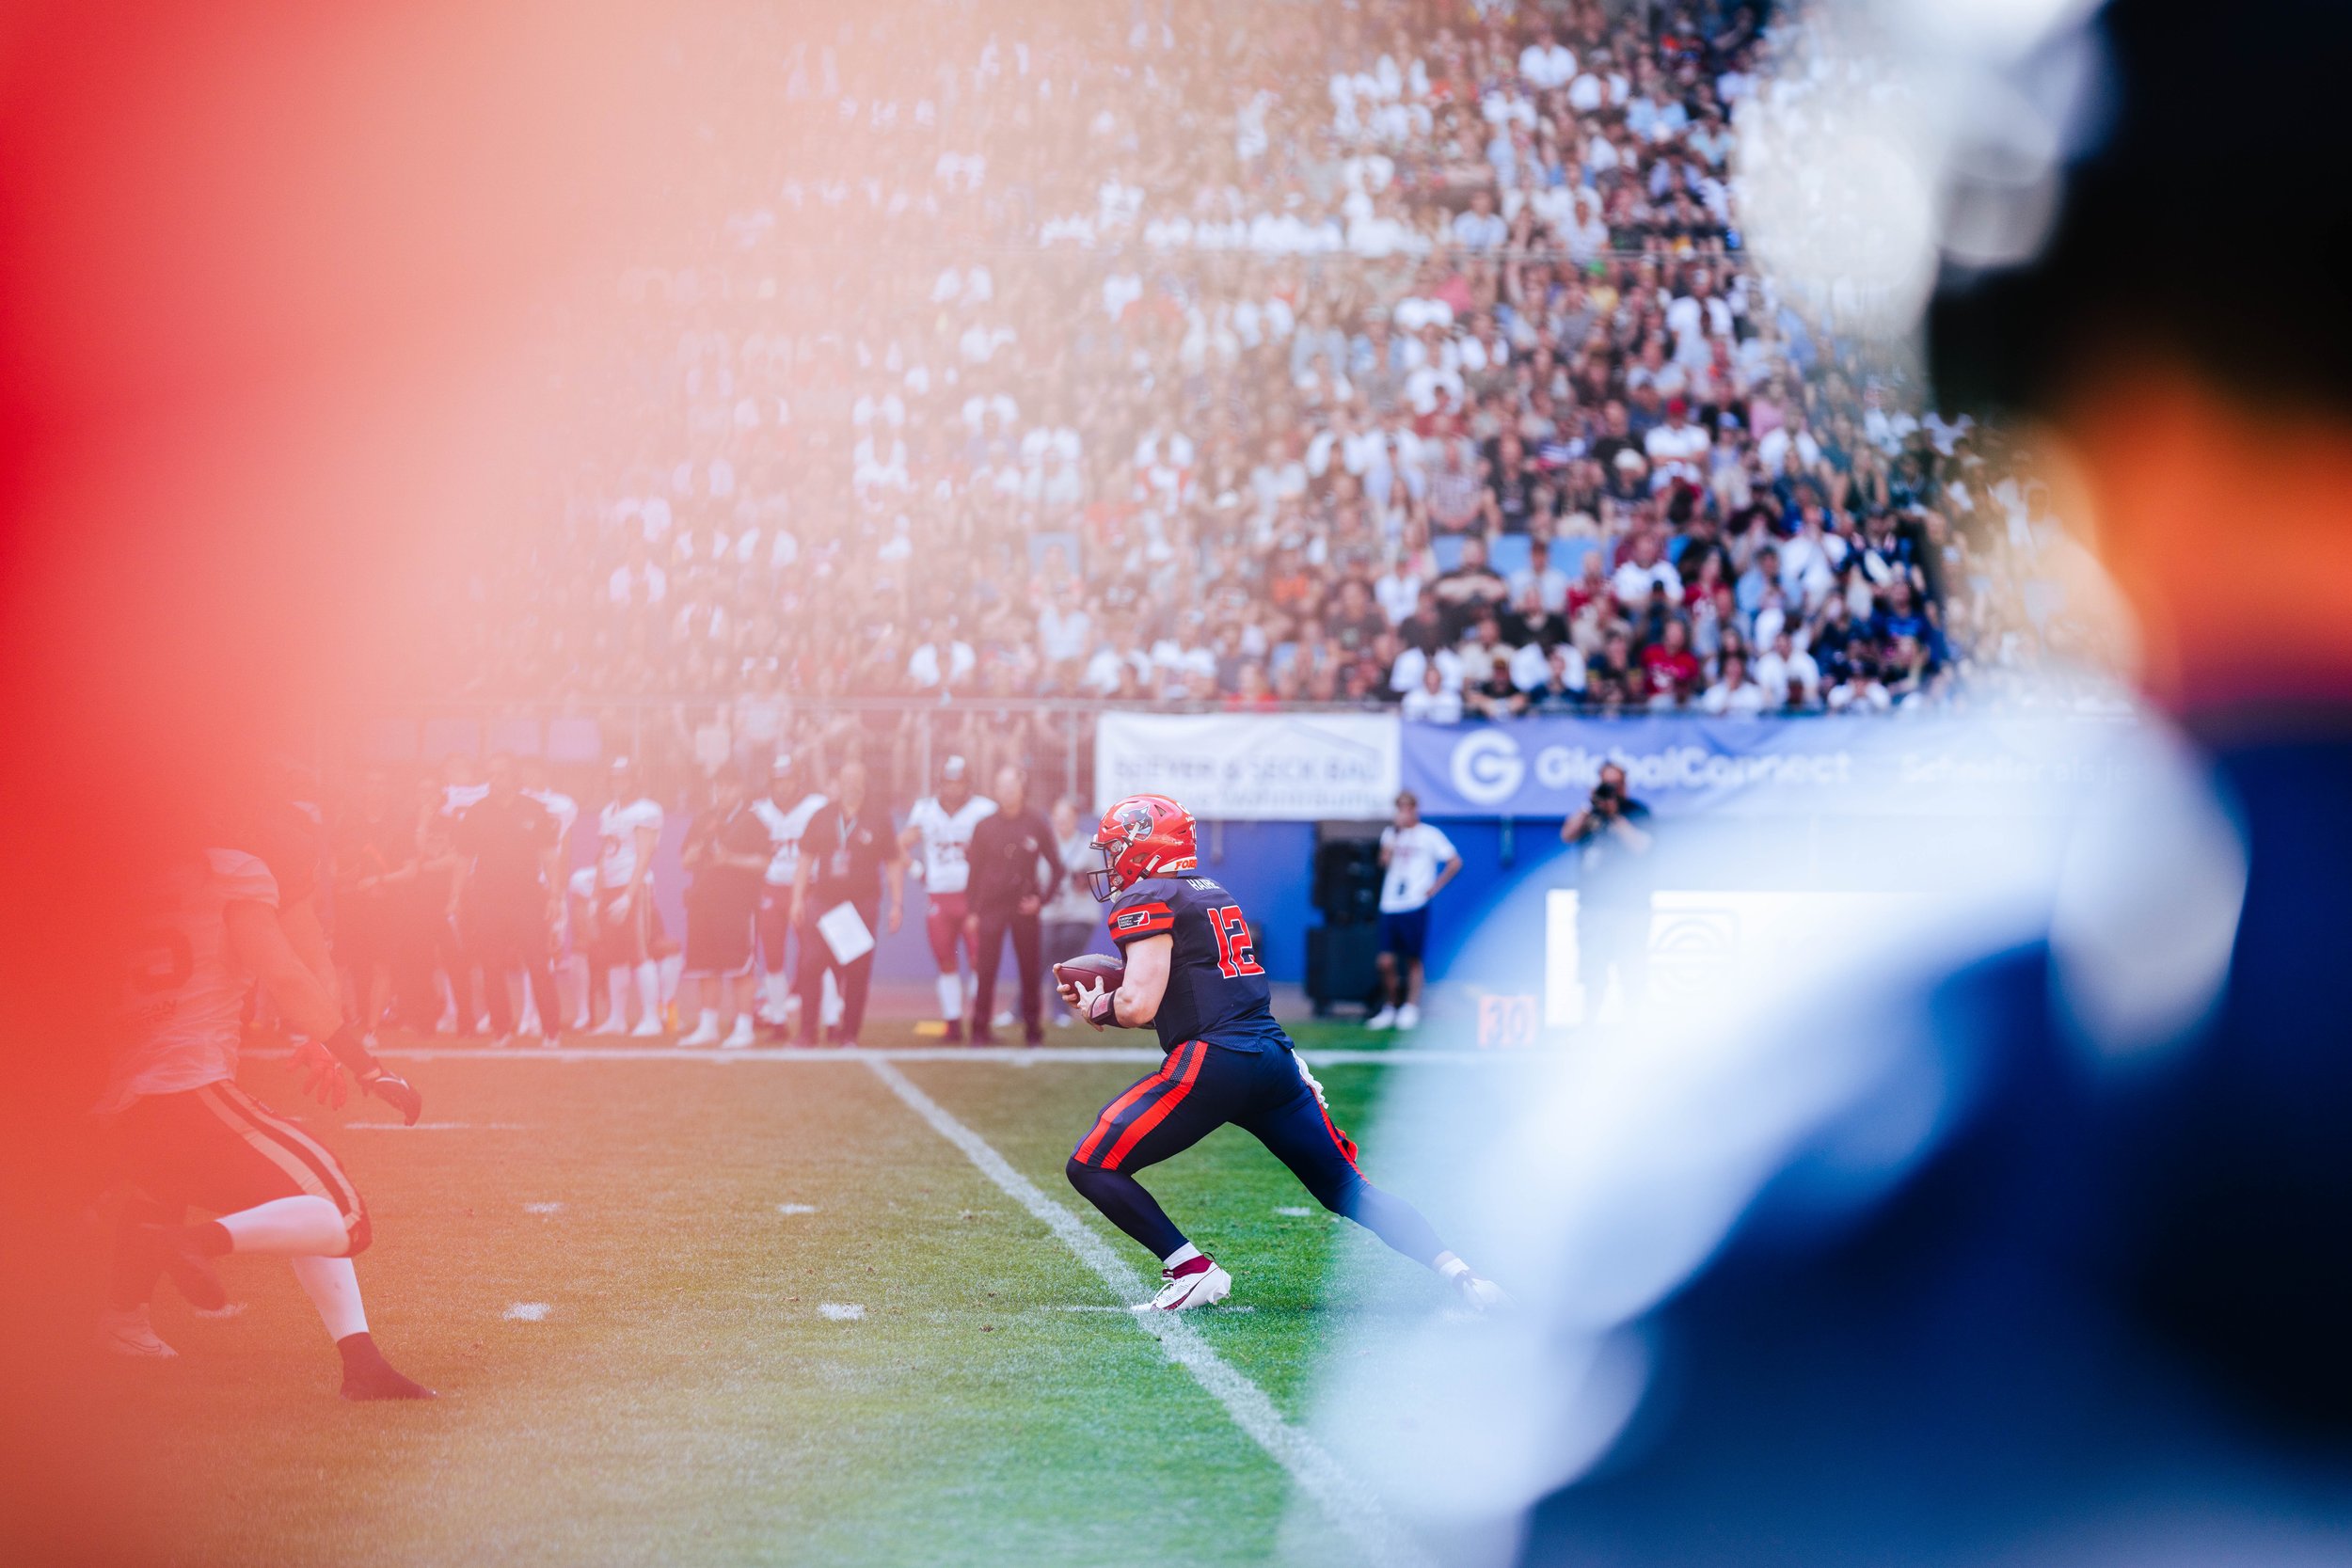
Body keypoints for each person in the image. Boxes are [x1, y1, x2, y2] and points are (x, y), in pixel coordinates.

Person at [1056, 793, 1507, 1312]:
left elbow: (1138, 1005)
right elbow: (1193, 995)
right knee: (1346, 1187)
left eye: (1116, 848)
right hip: (1271, 1057)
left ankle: (1191, 1269)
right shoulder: (1209, 892)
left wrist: (1100, 1006)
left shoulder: (1147, 897)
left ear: (1144, 845)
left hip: (1214, 1060)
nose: (1111, 862)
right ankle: (1464, 1276)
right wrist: (1113, 1003)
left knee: (1091, 1164)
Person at [96, 812, 431, 1398]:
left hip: (111, 1104)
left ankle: (360, 1363)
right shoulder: (234, 873)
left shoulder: (125, 875)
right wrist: (367, 1066)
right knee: (342, 1214)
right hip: (186, 1090)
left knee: (178, 1189)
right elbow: (286, 974)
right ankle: (183, 1243)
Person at [450, 754, 563, 1047]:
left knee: (538, 962)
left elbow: (550, 859)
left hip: (527, 898)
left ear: (514, 777)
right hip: (488, 899)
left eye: (500, 774)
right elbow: (463, 858)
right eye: (491, 774)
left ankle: (551, 1030)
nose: (494, 780)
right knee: (491, 965)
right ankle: (501, 1029)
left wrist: (555, 896)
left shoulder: (535, 810)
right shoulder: (477, 812)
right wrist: (455, 897)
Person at [790, 759, 903, 1047]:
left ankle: (849, 1034)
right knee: (810, 965)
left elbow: (892, 862)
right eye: (845, 778)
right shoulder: (822, 816)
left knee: (856, 971)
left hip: (860, 904)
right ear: (837, 783)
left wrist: (897, 904)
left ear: (864, 783)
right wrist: (797, 899)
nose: (851, 784)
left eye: (856, 778)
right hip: (824, 903)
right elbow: (805, 859)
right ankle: (807, 1032)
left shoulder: (878, 817)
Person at [898, 755, 996, 1041]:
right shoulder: (925, 810)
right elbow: (900, 844)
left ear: (968, 784)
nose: (953, 789)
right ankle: (953, 1024)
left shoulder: (983, 810)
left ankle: (980, 1022)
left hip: (973, 898)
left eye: (959, 782)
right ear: (940, 783)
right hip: (940, 897)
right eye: (949, 782)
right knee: (945, 960)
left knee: (980, 961)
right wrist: (918, 871)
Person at [963, 765, 1059, 1047]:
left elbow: (1057, 866)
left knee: (1030, 971)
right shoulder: (984, 826)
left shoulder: (1036, 823)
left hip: (1023, 908)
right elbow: (974, 873)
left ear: (1022, 789)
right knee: (986, 970)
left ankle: (1033, 1032)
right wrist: (972, 911)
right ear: (995, 790)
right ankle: (979, 1031)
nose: (1007, 792)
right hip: (991, 908)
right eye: (1002, 787)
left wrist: (1041, 901)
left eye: (1012, 786)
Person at [676, 770, 773, 1048]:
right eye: (719, 786)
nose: (723, 792)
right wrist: (700, 847)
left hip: (738, 905)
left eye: (729, 786)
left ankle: (744, 1027)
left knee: (740, 968)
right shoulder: (705, 819)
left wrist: (730, 859)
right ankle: (708, 1026)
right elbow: (685, 860)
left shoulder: (753, 821)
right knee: (706, 967)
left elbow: (765, 862)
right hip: (703, 903)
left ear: (740, 787)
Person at [1559, 762, 1652, 1022]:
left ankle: (1632, 1027)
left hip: (1631, 907)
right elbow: (1567, 834)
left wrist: (1614, 816)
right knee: (1592, 971)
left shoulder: (1637, 812)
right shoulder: (1590, 813)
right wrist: (1590, 805)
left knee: (1631, 970)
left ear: (1625, 785)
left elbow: (1641, 847)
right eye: (1606, 783)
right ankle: (1589, 1025)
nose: (1611, 789)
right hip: (1594, 905)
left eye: (1616, 783)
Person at [1368, 791, 1461, 1031]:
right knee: (1386, 961)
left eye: (1407, 808)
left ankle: (1410, 1007)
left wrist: (1434, 888)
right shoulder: (1391, 833)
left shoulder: (1430, 834)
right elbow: (1383, 863)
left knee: (1412, 959)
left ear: (1415, 809)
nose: (1403, 813)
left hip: (1414, 903)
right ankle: (1391, 1005)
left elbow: (1454, 861)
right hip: (1390, 903)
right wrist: (1395, 836)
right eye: (1399, 808)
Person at [750, 752, 827, 1036]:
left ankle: (829, 1020)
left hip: (807, 887)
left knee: (817, 956)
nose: (783, 787)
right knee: (772, 955)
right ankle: (778, 1019)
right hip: (772, 887)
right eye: (778, 781)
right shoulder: (759, 811)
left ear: (799, 781)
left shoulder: (815, 807)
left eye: (789, 780)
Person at [591, 756, 665, 1037]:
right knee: (614, 955)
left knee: (639, 953)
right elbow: (603, 855)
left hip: (633, 887)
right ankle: (617, 1018)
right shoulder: (608, 811)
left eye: (623, 777)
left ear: (635, 779)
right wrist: (597, 896)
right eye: (614, 777)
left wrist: (628, 895)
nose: (617, 782)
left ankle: (651, 1018)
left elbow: (644, 855)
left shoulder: (646, 810)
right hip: (611, 886)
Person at [1040, 795, 1099, 1028]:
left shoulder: (1087, 846)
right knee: (1039, 956)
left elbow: (1099, 881)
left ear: (1075, 819)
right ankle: (1021, 1008)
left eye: (1065, 818)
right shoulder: (1045, 844)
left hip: (1078, 912)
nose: (1060, 823)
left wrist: (1084, 880)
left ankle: (1060, 1010)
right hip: (1050, 912)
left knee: (1063, 957)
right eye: (1056, 818)